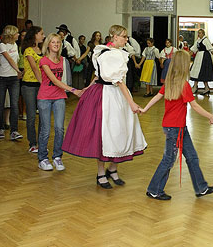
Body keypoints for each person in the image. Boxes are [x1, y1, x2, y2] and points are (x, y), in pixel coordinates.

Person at [62, 25, 147, 188]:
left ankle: (113, 169)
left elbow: (111, 77)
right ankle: (101, 173)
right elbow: (110, 78)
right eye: (124, 36)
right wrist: (131, 102)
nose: (126, 39)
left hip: (117, 94)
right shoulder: (106, 53)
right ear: (114, 37)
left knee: (120, 131)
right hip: (107, 95)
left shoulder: (116, 53)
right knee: (104, 133)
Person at [138, 50, 213, 200]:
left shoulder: (171, 82)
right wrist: (211, 116)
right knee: (168, 159)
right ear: (184, 66)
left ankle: (201, 188)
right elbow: (195, 106)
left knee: (192, 157)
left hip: (177, 127)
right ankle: (154, 189)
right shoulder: (184, 85)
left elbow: (157, 97)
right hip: (175, 128)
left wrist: (145, 109)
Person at [37, 33, 81, 172]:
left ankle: (57, 157)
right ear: (48, 44)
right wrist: (73, 90)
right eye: (53, 42)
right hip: (45, 97)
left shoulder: (62, 60)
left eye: (58, 42)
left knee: (59, 128)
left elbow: (63, 79)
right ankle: (43, 158)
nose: (56, 44)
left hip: (59, 97)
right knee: (45, 130)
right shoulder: (43, 61)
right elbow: (55, 81)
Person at [0, 25, 23, 141]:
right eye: (17, 33)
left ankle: (14, 131)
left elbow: (16, 59)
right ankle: (0, 129)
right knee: (0, 104)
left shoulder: (15, 45)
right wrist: (18, 71)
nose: (19, 35)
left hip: (13, 79)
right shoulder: (2, 45)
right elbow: (10, 60)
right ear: (11, 34)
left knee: (14, 104)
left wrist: (17, 72)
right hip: (2, 78)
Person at [21, 26, 44, 153]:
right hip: (29, 85)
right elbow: (35, 68)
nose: (43, 36)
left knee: (42, 115)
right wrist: (43, 83)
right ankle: (32, 143)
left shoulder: (42, 49)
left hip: (40, 85)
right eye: (41, 33)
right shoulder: (28, 50)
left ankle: (41, 142)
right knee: (31, 116)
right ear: (34, 35)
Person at [190, 29, 213, 95]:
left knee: (203, 72)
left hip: (205, 57)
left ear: (203, 33)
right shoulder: (198, 41)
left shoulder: (206, 40)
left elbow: (211, 49)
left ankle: (206, 87)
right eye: (198, 33)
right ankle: (195, 86)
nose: (199, 34)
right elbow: (193, 49)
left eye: (200, 33)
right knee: (196, 72)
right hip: (198, 57)